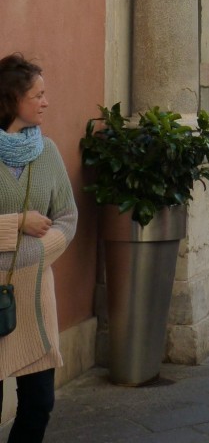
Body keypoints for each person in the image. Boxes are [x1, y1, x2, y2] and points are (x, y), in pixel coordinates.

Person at [0, 54, 77, 443]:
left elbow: (67, 217)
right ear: (13, 99)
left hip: (33, 298)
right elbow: (31, 224)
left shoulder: (47, 152)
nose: (46, 102)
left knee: (39, 404)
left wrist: (29, 254)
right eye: (38, 94)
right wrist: (18, 224)